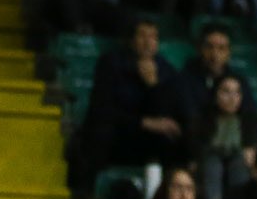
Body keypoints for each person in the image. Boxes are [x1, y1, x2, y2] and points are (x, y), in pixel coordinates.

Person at [75, 16, 184, 185]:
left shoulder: (166, 70)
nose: (148, 42)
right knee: (99, 132)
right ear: (132, 40)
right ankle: (87, 193)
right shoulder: (110, 63)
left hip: (144, 138)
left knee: (172, 137)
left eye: (153, 37)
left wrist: (153, 86)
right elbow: (101, 109)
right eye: (142, 36)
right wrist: (143, 122)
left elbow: (166, 113)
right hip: (119, 130)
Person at [190, 75, 257, 199]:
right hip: (209, 162)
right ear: (215, 94)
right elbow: (195, 152)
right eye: (226, 92)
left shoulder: (250, 120)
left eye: (237, 92)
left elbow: (252, 150)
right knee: (212, 164)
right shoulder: (202, 119)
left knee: (240, 163)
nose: (232, 98)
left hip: (238, 162)